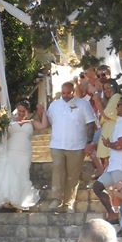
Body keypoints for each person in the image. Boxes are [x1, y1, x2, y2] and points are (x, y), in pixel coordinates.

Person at [0, 100, 48, 211]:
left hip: (24, 153)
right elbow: (1, 134)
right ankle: (8, 200)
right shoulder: (8, 121)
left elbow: (43, 126)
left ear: (27, 111)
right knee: (10, 175)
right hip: (11, 151)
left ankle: (19, 201)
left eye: (23, 111)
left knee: (22, 175)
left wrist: (42, 112)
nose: (20, 113)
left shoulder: (32, 122)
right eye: (19, 110)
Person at [46, 82, 96, 213]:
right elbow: (50, 120)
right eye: (63, 93)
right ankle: (56, 199)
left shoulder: (83, 104)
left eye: (69, 93)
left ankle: (69, 203)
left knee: (72, 176)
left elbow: (91, 124)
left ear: (74, 92)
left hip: (77, 146)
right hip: (57, 145)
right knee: (57, 170)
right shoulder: (54, 105)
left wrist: (89, 141)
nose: (66, 96)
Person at [93, 95, 122, 224]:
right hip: (114, 165)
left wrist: (108, 144)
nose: (117, 107)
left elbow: (121, 145)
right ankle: (112, 214)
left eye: (119, 105)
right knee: (97, 187)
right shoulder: (121, 121)